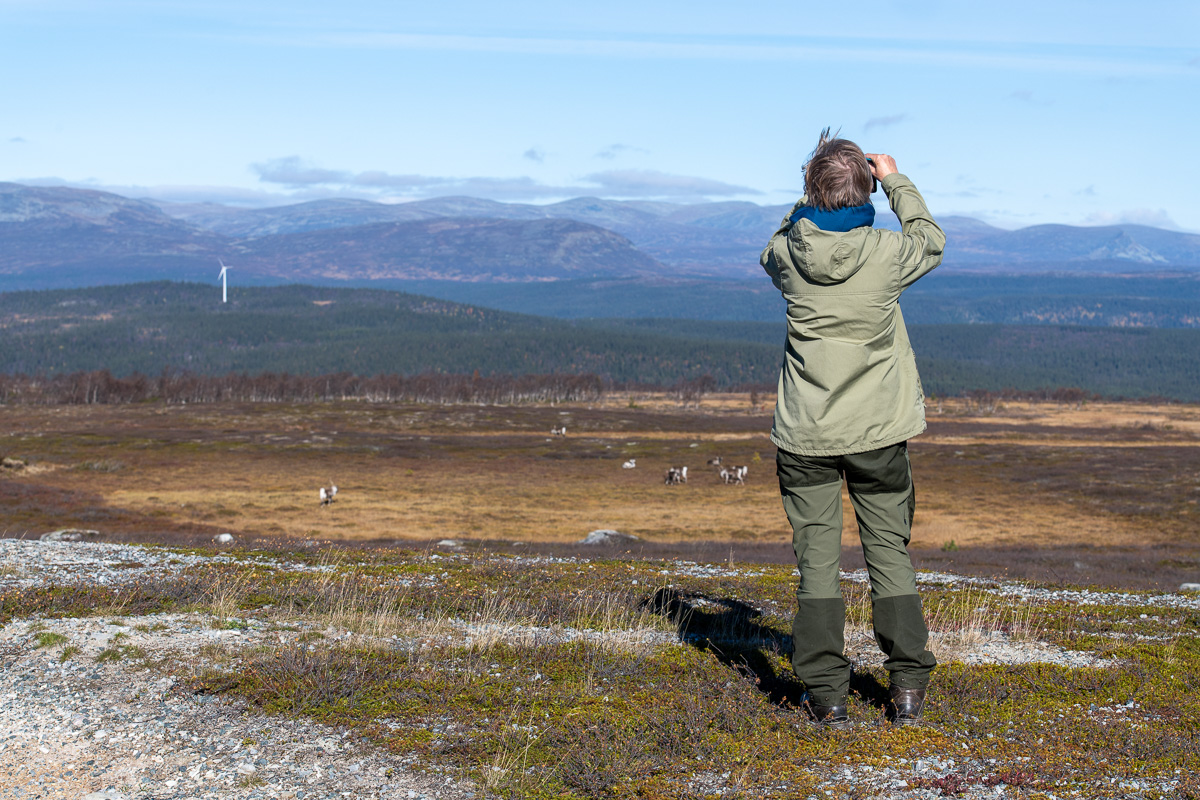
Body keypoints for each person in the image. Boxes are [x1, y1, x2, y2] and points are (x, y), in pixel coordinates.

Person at [759, 129, 944, 729]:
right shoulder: (887, 254)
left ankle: (827, 695)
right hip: (879, 433)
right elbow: (931, 241)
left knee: (816, 559)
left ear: (811, 190)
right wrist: (895, 180)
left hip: (805, 434)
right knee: (889, 551)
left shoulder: (788, 254)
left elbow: (775, 245)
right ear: (866, 188)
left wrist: (807, 199)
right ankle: (908, 685)